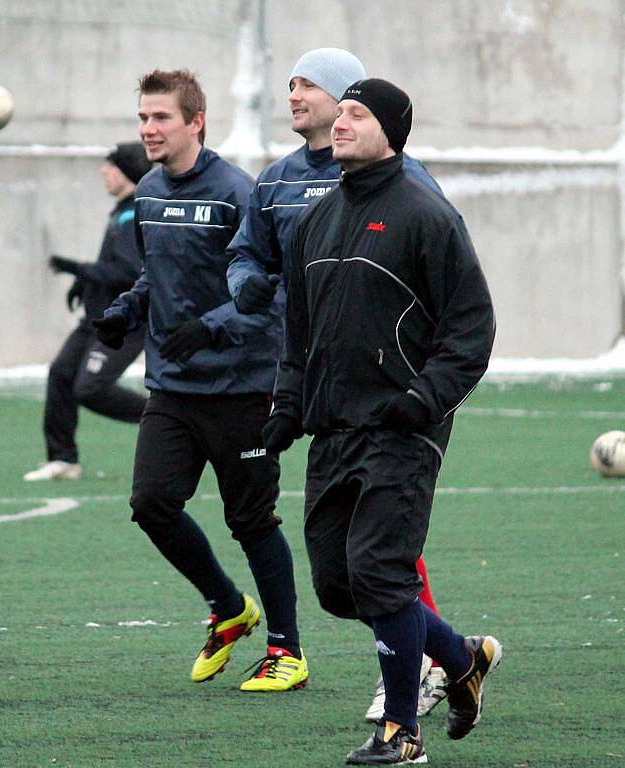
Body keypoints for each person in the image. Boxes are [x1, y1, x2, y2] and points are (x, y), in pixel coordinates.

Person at [263, 77, 502, 764]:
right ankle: (460, 658)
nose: (340, 123)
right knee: (338, 586)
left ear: (391, 130)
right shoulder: (318, 219)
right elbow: (298, 334)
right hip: (334, 431)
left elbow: (472, 328)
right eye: (339, 113)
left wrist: (424, 399)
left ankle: (401, 733)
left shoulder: (427, 216)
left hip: (403, 429)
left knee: (380, 572)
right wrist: (286, 406)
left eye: (356, 114)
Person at [226, 47, 449, 719]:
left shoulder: (408, 186)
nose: (294, 95)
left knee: (382, 553)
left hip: (391, 397)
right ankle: (450, 653)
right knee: (342, 568)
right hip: (317, 392)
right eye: (290, 84)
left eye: (310, 86)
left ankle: (415, 680)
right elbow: (250, 255)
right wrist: (246, 284)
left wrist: (423, 385)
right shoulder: (277, 182)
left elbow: (446, 287)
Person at [92, 69, 308, 692]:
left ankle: (286, 653)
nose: (148, 130)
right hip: (172, 387)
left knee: (252, 520)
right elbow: (154, 277)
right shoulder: (151, 191)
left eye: (161, 118)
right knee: (151, 504)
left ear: (196, 121)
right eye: (142, 119)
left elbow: (269, 293)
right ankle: (229, 607)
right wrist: (127, 311)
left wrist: (212, 328)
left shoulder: (238, 192)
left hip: (241, 387)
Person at [23, 143, 151, 482]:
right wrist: (85, 286)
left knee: (90, 388)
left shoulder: (134, 212)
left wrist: (77, 270)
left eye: (111, 165)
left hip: (122, 323)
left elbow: (129, 272)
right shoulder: (120, 210)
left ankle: (168, 419)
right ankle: (63, 458)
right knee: (61, 374)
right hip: (95, 318)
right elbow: (111, 266)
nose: (103, 171)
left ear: (127, 171)